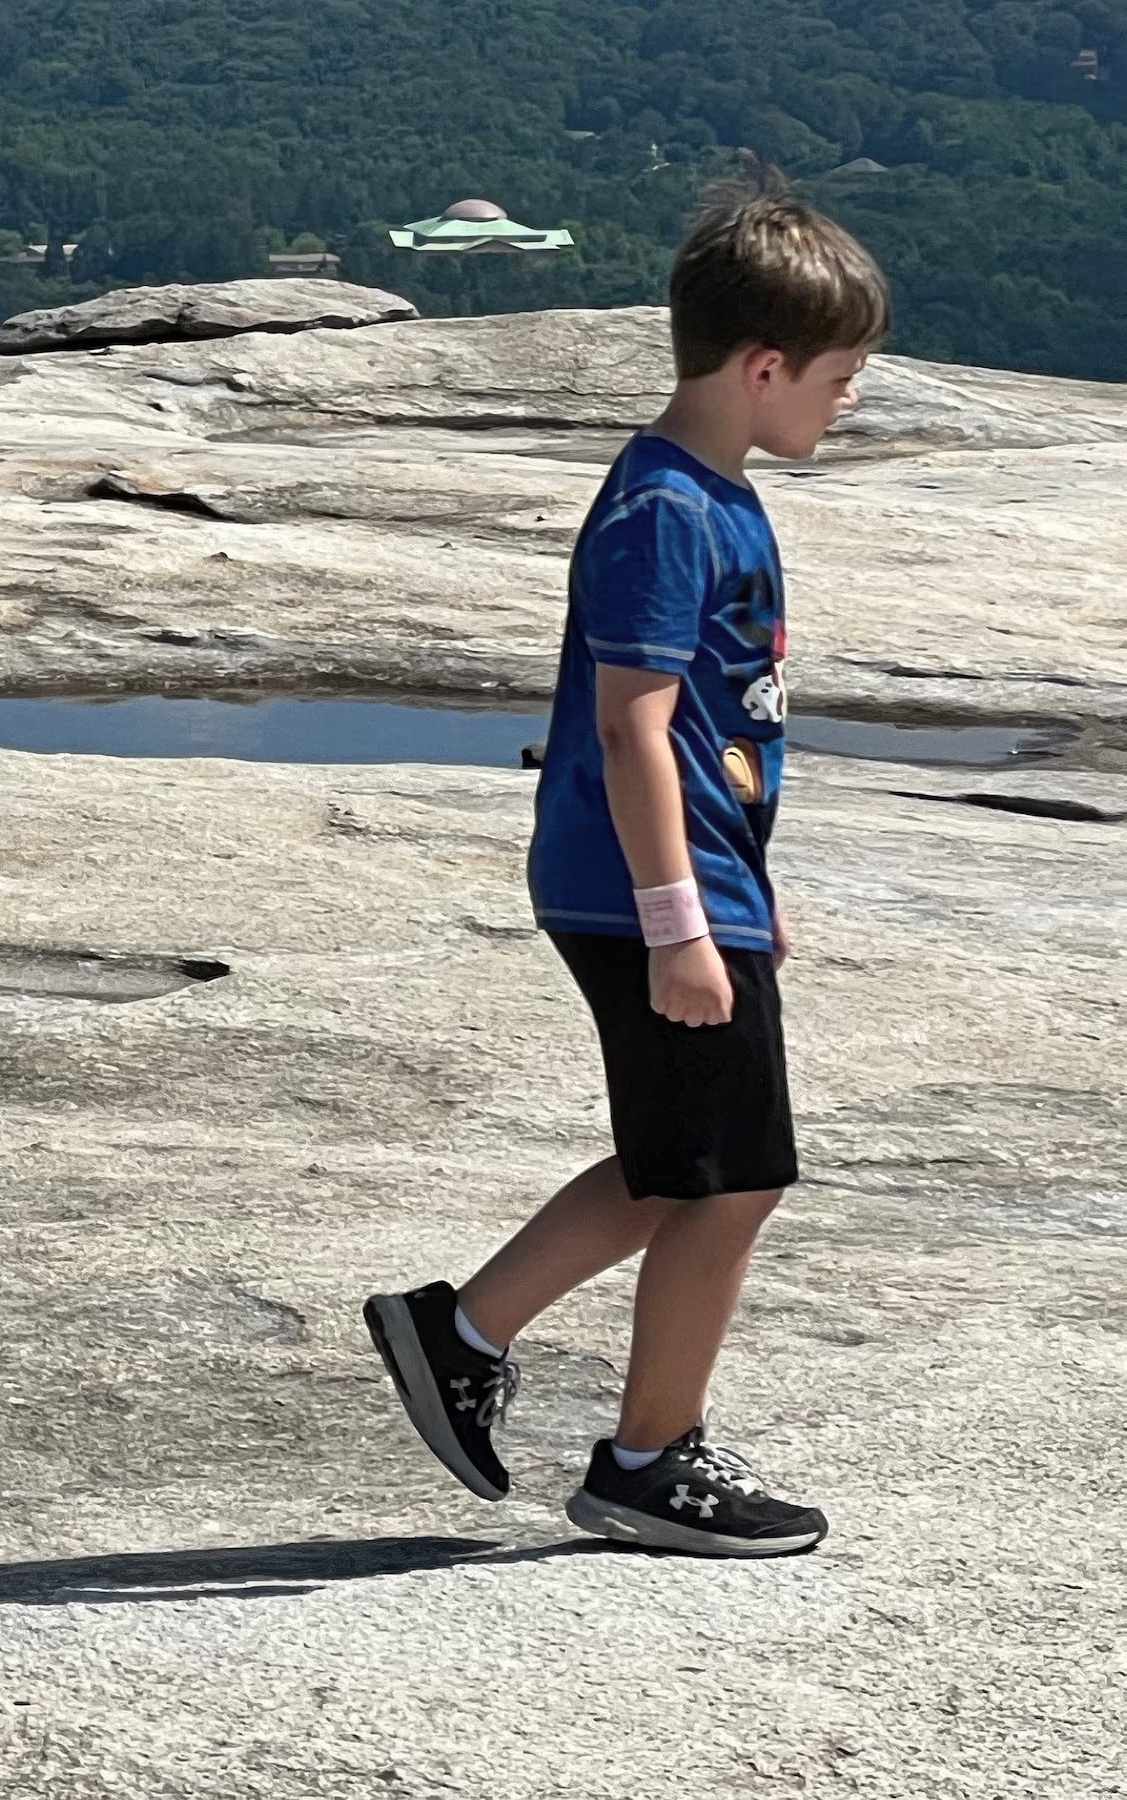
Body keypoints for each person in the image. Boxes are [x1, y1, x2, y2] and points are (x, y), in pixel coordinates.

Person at [366, 176, 888, 1556]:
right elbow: (630, 721)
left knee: (684, 1161)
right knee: (735, 1177)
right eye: (839, 378)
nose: (849, 401)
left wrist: (739, 900)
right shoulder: (666, 510)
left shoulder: (712, 492)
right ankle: (642, 1454)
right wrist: (682, 924)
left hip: (684, 888)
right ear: (763, 365)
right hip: (649, 896)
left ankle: (462, 1333)